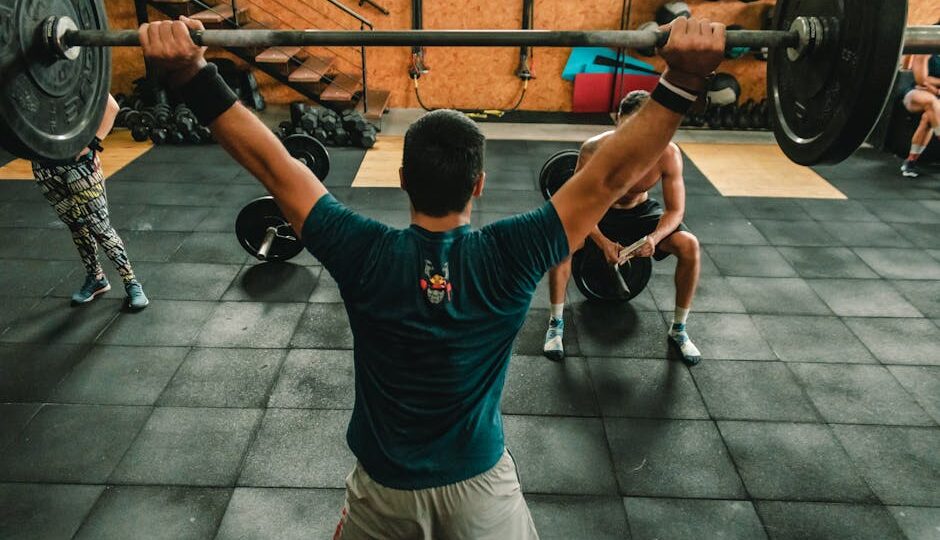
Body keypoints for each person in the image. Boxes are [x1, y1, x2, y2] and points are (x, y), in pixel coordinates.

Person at [139, 15, 725, 538]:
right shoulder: (514, 252)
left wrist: (191, 73)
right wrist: (683, 80)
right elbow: (608, 178)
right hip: (481, 493)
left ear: (402, 180)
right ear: (479, 184)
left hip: (384, 494)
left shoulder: (361, 250)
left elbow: (275, 164)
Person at [543, 90, 702, 366]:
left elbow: (675, 210)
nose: (633, 136)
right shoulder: (593, 149)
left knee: (689, 246)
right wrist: (601, 241)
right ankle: (555, 324)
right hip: (598, 210)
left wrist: (654, 238)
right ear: (617, 119)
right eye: (628, 128)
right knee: (562, 243)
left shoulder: (667, 153)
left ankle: (679, 329)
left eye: (641, 129)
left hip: (641, 213)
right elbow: (578, 202)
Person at [31, 95, 149, 309]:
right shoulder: (24, 83)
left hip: (81, 166)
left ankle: (132, 283)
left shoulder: (75, 77)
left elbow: (111, 107)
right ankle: (96, 278)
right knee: (76, 225)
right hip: (44, 168)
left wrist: (92, 143)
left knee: (100, 227)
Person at [900, 24, 940, 178]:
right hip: (916, 94)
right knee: (931, 102)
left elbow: (928, 81)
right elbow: (921, 79)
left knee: (928, 118)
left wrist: (933, 85)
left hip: (935, 96)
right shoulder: (928, 42)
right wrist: (934, 89)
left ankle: (910, 162)